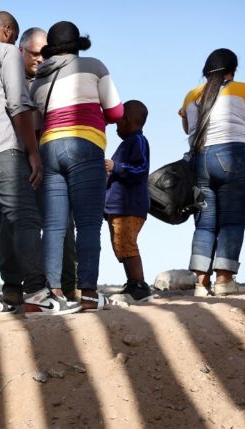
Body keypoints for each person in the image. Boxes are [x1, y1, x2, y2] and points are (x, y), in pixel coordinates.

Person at [0, 12, 80, 316]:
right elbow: (18, 105)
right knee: (26, 219)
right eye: (14, 35)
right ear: (8, 30)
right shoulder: (6, 52)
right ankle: (38, 293)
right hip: (3, 152)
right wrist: (33, 152)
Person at [30, 21, 124, 311]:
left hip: (49, 148)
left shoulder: (38, 80)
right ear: (77, 45)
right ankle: (88, 295)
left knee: (55, 226)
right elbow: (117, 112)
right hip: (84, 144)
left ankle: (51, 295)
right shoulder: (94, 65)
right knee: (87, 224)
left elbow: (35, 124)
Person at [0, 27, 79, 302]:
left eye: (44, 54)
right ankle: (12, 285)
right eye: (34, 54)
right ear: (20, 50)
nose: (40, 60)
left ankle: (66, 286)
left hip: (51, 161)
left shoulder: (55, 78)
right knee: (11, 222)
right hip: (17, 160)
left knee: (63, 222)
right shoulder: (7, 78)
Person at [179, 48, 245, 296]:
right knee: (232, 221)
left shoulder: (191, 96)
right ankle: (225, 280)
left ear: (206, 71)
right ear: (233, 70)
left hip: (199, 160)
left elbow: (188, 129)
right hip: (235, 156)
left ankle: (200, 283)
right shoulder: (244, 89)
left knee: (204, 225)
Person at [104, 100, 153, 303]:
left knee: (127, 244)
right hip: (117, 208)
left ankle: (140, 285)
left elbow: (140, 170)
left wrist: (115, 166)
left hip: (129, 207)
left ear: (127, 120)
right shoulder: (127, 144)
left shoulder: (138, 141)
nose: (116, 127)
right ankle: (132, 283)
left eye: (118, 123)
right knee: (120, 245)